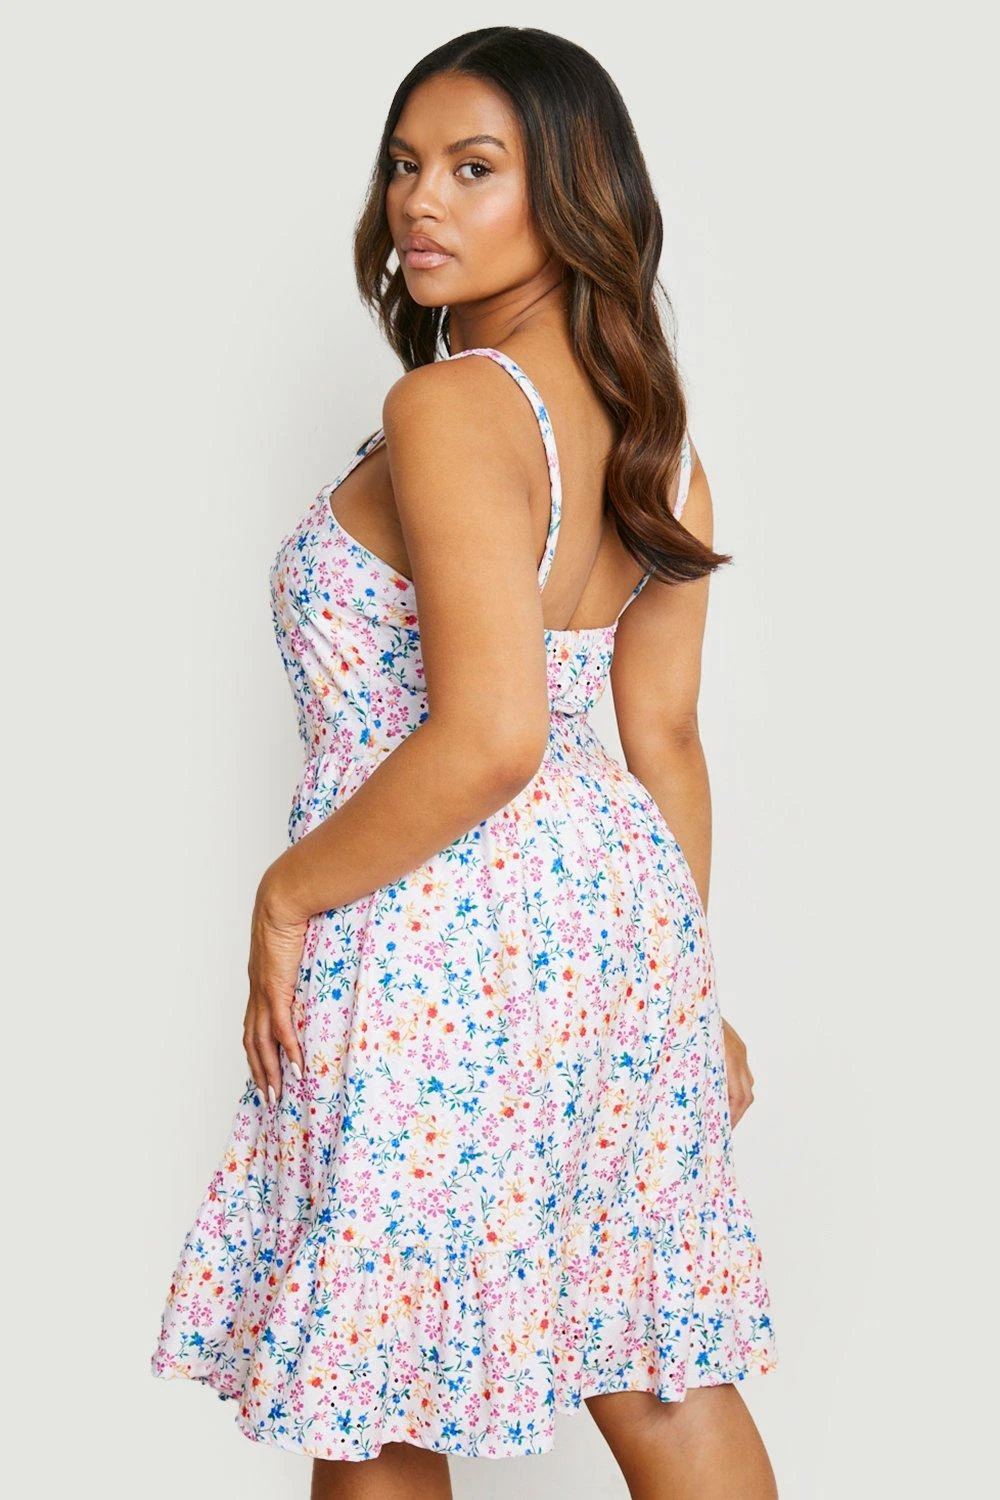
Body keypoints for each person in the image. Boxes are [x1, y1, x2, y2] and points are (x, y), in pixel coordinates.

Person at [150, 25, 780, 1500]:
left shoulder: (449, 406)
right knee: (658, 1361)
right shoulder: (660, 444)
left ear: (573, 189)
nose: (418, 202)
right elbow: (662, 739)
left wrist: (287, 893)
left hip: (431, 923)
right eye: (404, 165)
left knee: (377, 1383)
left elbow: (492, 736)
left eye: (473, 168)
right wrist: (676, 1000)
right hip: (611, 927)